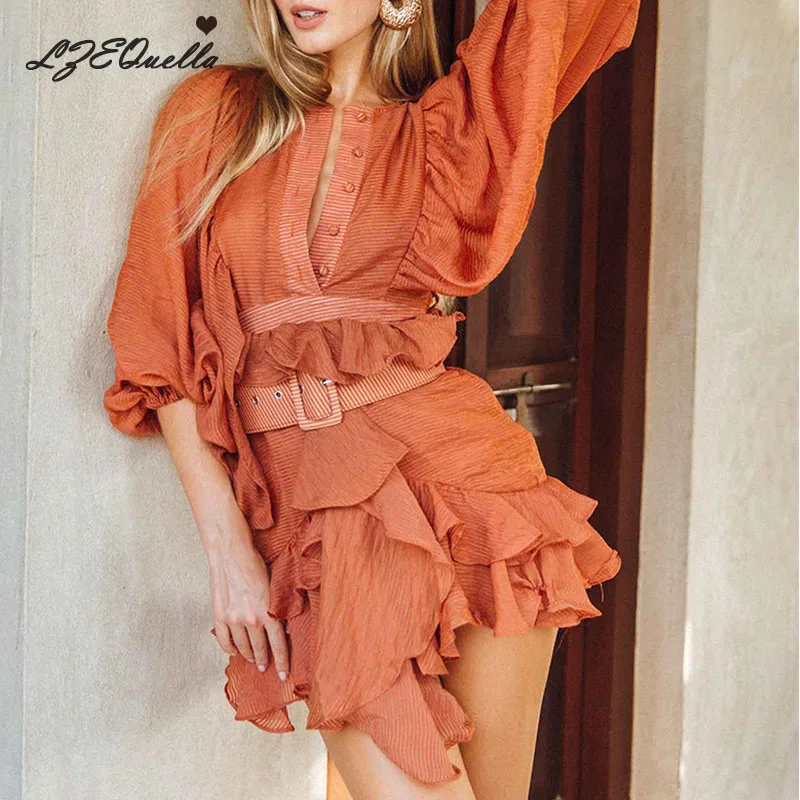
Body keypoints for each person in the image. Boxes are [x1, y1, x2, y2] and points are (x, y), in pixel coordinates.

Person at [102, 0, 639, 796]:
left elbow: (553, 18)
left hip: (476, 501)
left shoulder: (448, 136)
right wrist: (227, 550)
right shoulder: (215, 114)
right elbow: (160, 343)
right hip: (317, 522)